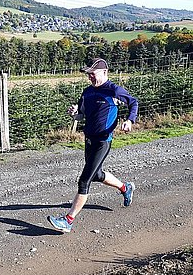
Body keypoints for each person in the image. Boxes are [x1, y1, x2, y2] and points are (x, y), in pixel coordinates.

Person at [48, 58, 139, 233]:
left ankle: (68, 220)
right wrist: (75, 114)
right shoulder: (87, 92)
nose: (89, 76)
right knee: (96, 174)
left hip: (103, 141)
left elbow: (133, 102)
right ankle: (125, 187)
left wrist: (130, 120)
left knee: (84, 181)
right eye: (88, 73)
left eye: (92, 73)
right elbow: (81, 115)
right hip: (89, 139)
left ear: (104, 72)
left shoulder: (113, 90)